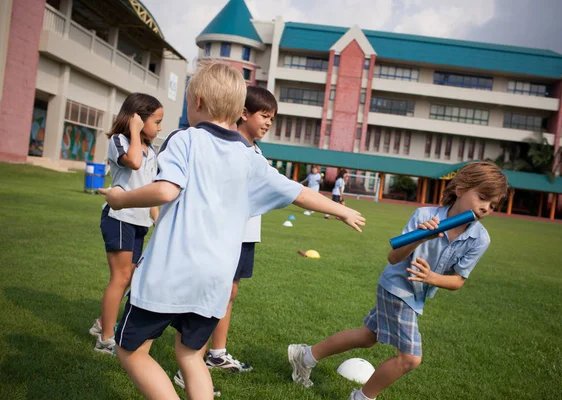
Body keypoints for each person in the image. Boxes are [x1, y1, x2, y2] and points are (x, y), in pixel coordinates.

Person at [98, 61, 366, 400]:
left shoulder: (186, 139)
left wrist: (121, 200)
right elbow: (299, 193)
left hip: (170, 272)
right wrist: (342, 210)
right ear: (239, 109)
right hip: (215, 281)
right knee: (190, 354)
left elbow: (166, 190)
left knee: (131, 350)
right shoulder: (250, 157)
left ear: (196, 102)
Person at [288, 161, 508, 400]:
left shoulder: (479, 239)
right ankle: (361, 398)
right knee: (410, 359)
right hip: (396, 288)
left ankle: (305, 356)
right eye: (483, 197)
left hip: (416, 295)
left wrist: (432, 278)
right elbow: (393, 257)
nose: (486, 208)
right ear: (461, 189)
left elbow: (458, 281)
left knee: (367, 337)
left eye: (493, 205)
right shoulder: (425, 215)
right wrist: (421, 237)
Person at [174, 87, 278, 386]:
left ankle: (215, 353)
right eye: (264, 115)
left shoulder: (255, 151)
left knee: (229, 293)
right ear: (243, 113)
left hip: (245, 236)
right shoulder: (230, 148)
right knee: (210, 295)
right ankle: (189, 365)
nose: (268, 123)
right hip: (225, 237)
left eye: (272, 118)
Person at [89, 93, 162, 355]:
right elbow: (133, 162)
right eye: (156, 121)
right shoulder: (119, 141)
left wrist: (157, 220)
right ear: (139, 120)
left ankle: (101, 323)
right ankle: (106, 338)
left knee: (129, 277)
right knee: (120, 277)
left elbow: (150, 187)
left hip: (139, 221)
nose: (160, 127)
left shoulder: (150, 149)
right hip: (119, 218)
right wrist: (133, 131)